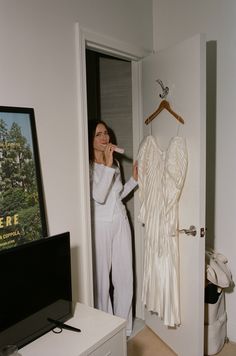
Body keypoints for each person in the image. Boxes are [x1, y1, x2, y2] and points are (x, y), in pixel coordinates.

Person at [88, 120, 138, 336]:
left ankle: (124, 329)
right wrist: (107, 165)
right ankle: (105, 331)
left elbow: (117, 196)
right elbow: (98, 197)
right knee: (101, 281)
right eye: (98, 134)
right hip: (100, 226)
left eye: (106, 133)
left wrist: (135, 180)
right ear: (90, 140)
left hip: (120, 222)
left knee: (125, 276)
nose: (104, 138)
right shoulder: (87, 167)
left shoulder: (115, 164)